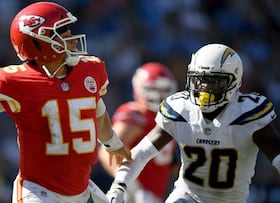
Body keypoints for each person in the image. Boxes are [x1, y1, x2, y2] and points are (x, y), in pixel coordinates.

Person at [0, 2, 132, 203]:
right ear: (39, 42)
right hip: (38, 193)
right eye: (62, 31)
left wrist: (112, 143)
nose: (71, 37)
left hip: (81, 190)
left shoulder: (90, 69)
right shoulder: (15, 82)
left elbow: (97, 112)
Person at [106, 43, 280, 203]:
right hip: (187, 196)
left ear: (234, 81)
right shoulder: (181, 108)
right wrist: (119, 185)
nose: (204, 87)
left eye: (213, 82)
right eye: (200, 80)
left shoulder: (249, 114)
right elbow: (142, 152)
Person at [98, 62, 179, 203]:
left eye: (164, 89)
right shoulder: (136, 114)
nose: (160, 95)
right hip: (136, 195)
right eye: (154, 89)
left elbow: (166, 164)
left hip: (155, 195)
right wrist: (128, 185)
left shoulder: (168, 117)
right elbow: (107, 151)